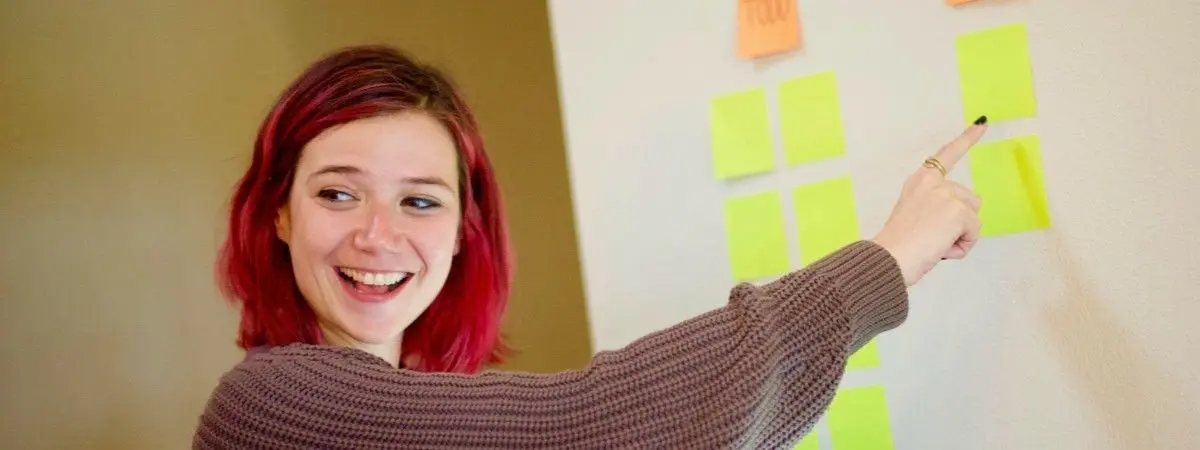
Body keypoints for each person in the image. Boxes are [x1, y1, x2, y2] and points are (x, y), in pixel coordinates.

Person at [192, 44, 987, 449]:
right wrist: (888, 259)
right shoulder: (268, 409)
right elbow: (587, 430)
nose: (378, 234)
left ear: (465, 233)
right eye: (337, 192)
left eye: (419, 201)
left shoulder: (429, 404)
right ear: (278, 215)